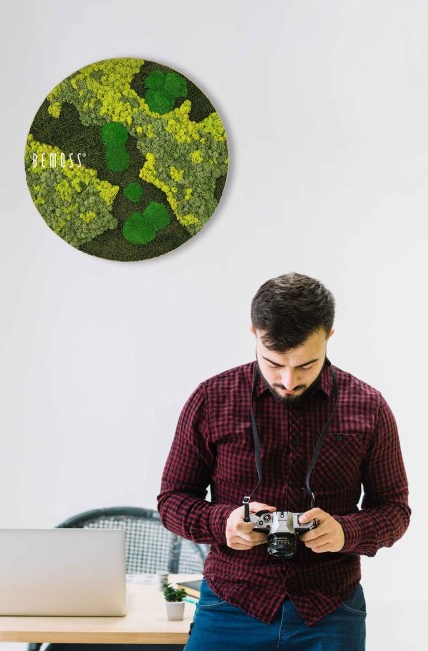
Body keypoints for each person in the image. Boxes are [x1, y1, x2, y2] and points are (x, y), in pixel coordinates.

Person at [157, 273, 410, 650]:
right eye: (274, 363)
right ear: (254, 333)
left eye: (306, 365)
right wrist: (222, 522)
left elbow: (394, 510)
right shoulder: (212, 400)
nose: (289, 380)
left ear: (329, 336)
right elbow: (172, 499)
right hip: (230, 604)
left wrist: (345, 532)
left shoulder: (369, 407)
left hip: (330, 610)